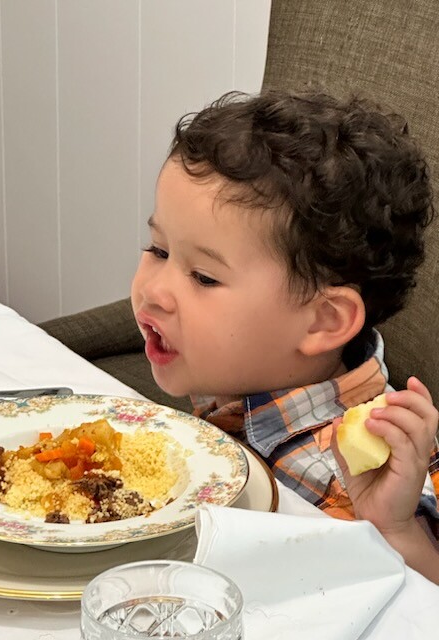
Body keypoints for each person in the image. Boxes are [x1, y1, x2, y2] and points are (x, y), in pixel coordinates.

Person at [131, 90, 439, 583]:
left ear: (323, 322)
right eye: (159, 249)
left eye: (205, 277)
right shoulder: (238, 371)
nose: (155, 291)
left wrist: (397, 529)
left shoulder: (381, 463)